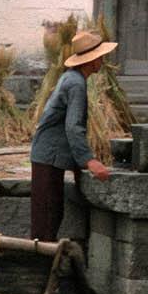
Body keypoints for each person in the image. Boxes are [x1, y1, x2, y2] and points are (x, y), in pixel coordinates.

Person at [29, 31, 114, 241]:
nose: (102, 61)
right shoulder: (76, 84)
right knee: (47, 221)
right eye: (100, 57)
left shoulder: (71, 77)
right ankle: (39, 260)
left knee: (50, 216)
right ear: (92, 60)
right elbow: (73, 127)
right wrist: (89, 161)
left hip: (47, 155)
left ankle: (44, 258)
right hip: (48, 156)